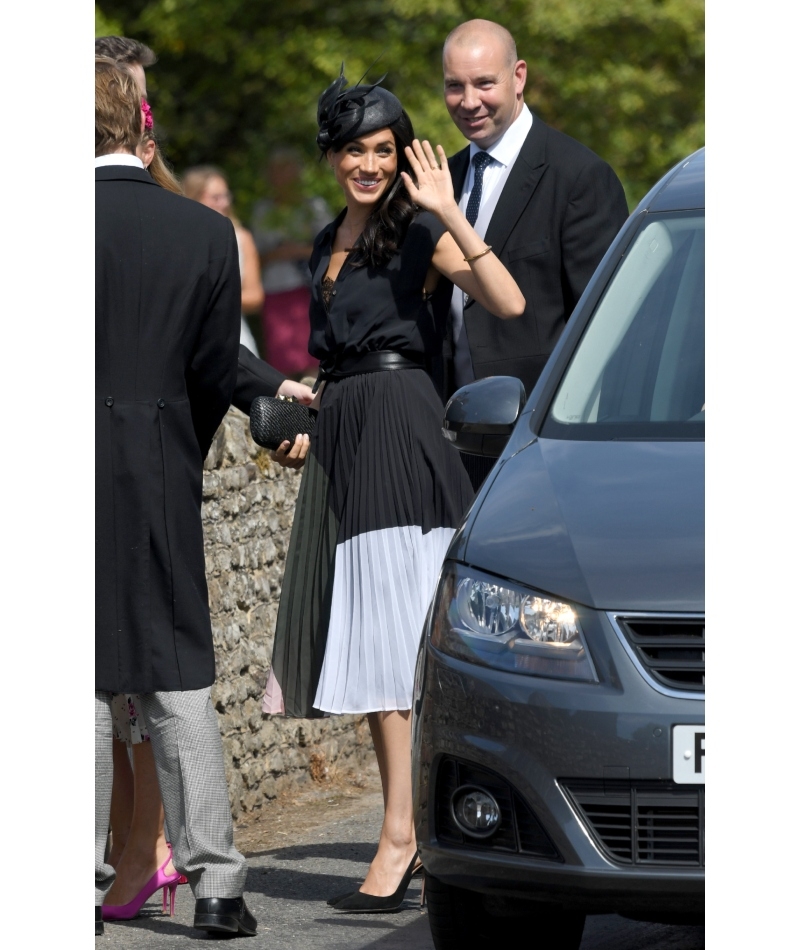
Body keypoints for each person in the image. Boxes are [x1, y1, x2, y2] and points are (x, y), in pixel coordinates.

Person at [263, 71, 524, 913]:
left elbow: (507, 301)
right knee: (382, 647)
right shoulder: (322, 239)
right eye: (355, 150)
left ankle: (405, 835)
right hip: (349, 431)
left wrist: (451, 213)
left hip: (404, 435)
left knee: (399, 650)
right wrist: (309, 395)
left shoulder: (418, 234)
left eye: (384, 150)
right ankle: (411, 832)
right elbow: (339, 350)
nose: (369, 164)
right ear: (333, 155)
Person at [96, 57, 265, 938]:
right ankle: (218, 885)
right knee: (177, 678)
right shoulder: (201, 234)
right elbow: (211, 372)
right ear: (140, 126)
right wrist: (169, 442)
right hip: (158, 465)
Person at [437, 19, 630, 488]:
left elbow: (607, 330)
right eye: (454, 86)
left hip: (540, 445)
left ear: (518, 76)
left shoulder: (579, 178)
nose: (469, 101)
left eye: (485, 83)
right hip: (448, 443)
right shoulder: (444, 180)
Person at [93, 36, 312, 411]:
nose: (145, 115)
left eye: (143, 100)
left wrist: (272, 384)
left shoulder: (190, 224)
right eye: (131, 100)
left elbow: (192, 334)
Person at [250, 149, 330, 379]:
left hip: (306, 288)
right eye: (276, 172)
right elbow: (255, 255)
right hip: (275, 290)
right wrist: (277, 253)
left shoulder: (314, 206)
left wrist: (297, 250)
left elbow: (330, 247)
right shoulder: (262, 210)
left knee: (311, 357)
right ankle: (287, 413)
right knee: (281, 359)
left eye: (286, 170)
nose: (282, 177)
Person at [183, 166, 264, 357]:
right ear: (194, 198)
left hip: (234, 335)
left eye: (226, 196)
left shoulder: (242, 237)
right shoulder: (181, 240)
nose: (224, 203)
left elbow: (255, 297)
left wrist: (211, 299)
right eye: (215, 197)